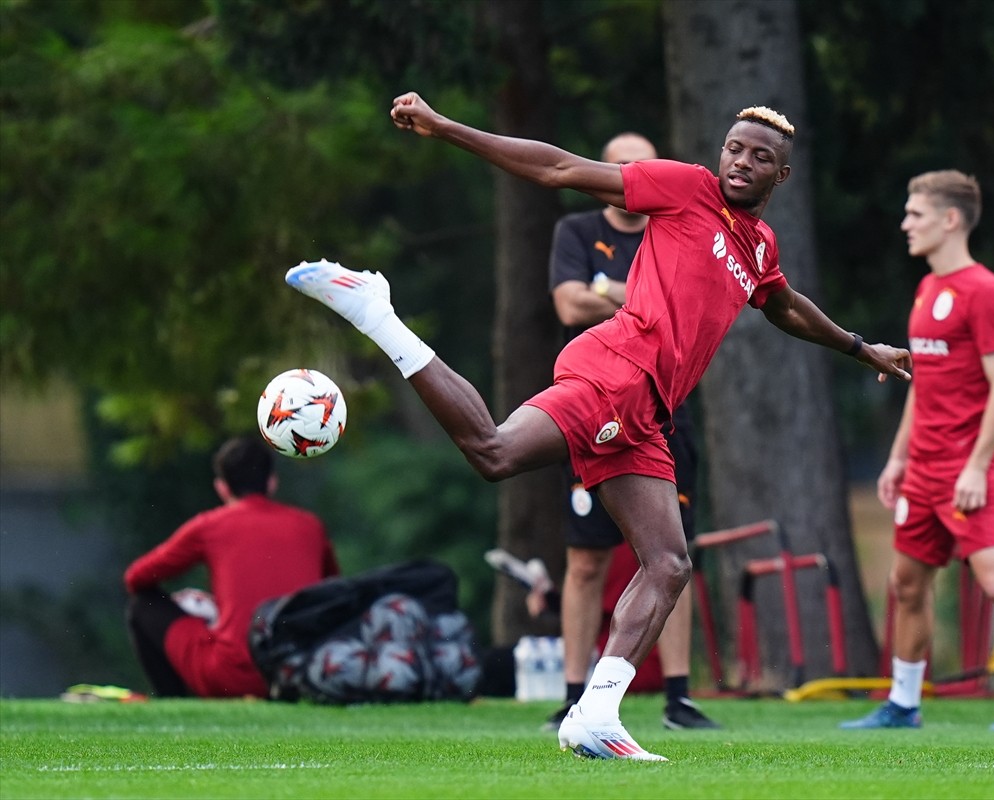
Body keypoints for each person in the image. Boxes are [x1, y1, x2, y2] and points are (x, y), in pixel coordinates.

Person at [286, 92, 912, 760]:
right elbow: (559, 168)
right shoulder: (686, 187)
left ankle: (596, 716)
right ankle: (377, 313)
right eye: (734, 148)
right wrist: (445, 128)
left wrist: (859, 347)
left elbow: (783, 306)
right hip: (616, 372)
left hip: (648, 413)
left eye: (760, 157)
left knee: (668, 563)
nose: (741, 162)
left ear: (780, 175)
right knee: (495, 453)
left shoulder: (759, 246)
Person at [840, 171, 994, 733]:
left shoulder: (985, 292)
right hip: (922, 471)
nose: (905, 224)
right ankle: (903, 704)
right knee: (907, 584)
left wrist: (978, 467)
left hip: (967, 471)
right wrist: (898, 458)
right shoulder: (926, 291)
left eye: (916, 214)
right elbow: (925, 386)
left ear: (951, 219)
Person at [542, 131, 717, 732]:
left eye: (639, 166)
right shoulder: (576, 230)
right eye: (618, 167)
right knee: (585, 557)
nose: (628, 176)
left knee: (672, 554)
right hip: (592, 403)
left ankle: (678, 696)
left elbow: (692, 307)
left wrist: (607, 291)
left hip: (666, 411)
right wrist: (641, 302)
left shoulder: (678, 223)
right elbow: (569, 305)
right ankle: (573, 693)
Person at [124, 436, 339, 698]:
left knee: (142, 605)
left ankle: (173, 701)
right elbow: (332, 589)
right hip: (299, 673)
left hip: (235, 677)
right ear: (272, 481)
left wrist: (212, 608)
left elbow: (136, 578)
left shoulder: (209, 526)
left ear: (222, 488)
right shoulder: (311, 526)